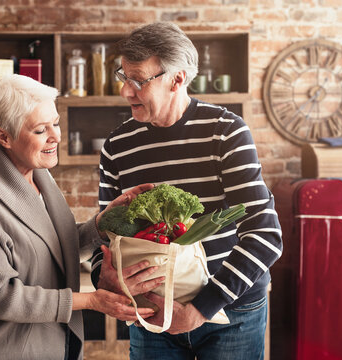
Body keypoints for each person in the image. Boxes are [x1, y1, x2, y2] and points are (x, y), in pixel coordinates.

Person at [90, 22, 283, 360]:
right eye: (124, 78)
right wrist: (104, 279)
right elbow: (105, 234)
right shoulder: (117, 145)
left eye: (138, 80)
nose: (126, 92)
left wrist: (198, 310)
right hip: (151, 314)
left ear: (176, 79)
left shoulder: (226, 133)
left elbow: (265, 234)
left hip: (231, 312)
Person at [0, 74, 159, 360]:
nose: (56, 136)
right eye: (41, 130)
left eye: (55, 122)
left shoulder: (39, 175)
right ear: (3, 136)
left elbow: (50, 248)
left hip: (46, 346)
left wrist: (103, 224)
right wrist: (91, 300)